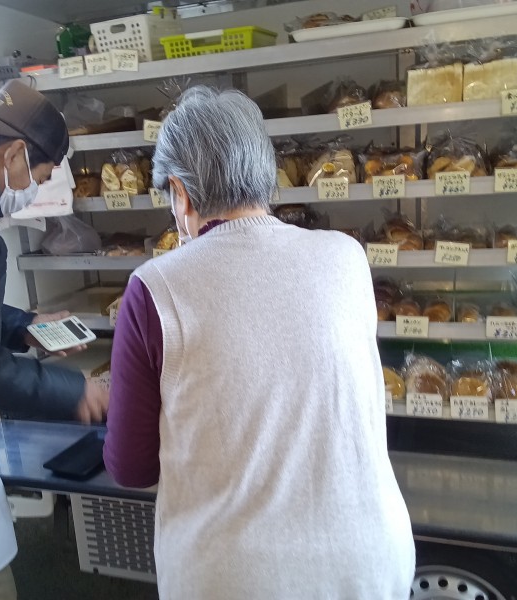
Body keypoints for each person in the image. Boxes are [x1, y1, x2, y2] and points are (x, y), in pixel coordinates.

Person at [104, 85, 415, 599]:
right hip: (371, 561)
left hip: (239, 577)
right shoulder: (347, 256)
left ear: (181, 194)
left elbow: (131, 467)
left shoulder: (154, 288)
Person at [0, 80, 109, 599]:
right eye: (41, 175)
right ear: (12, 154)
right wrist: (74, 392)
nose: (36, 190)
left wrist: (22, 325)